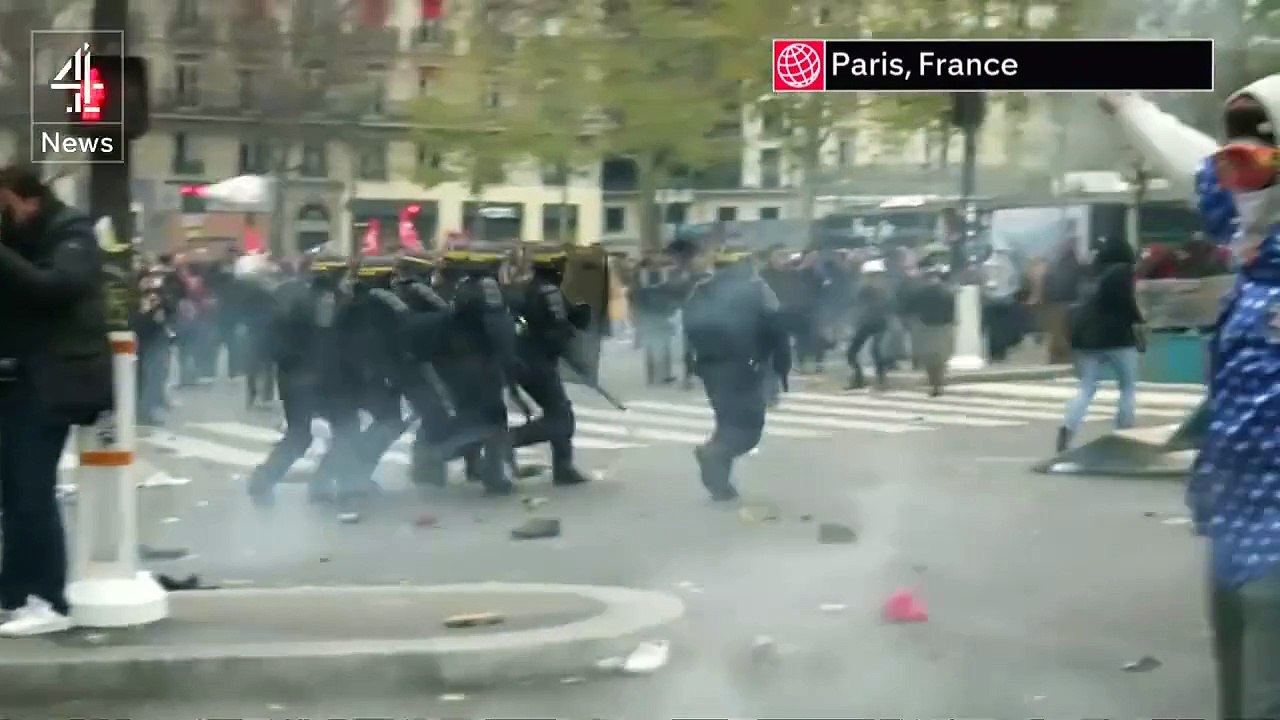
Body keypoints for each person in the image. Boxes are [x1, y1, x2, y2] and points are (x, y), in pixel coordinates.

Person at [1186, 81, 1280, 720]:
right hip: (1235, 525)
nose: (1238, 180)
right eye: (1229, 162)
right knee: (1238, 686)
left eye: (1257, 162)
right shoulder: (1253, 273)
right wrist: (1131, 106)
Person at [0, 165, 112, 635]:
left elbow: (55, 288)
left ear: (29, 200)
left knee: (31, 489)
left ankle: (47, 599)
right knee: (15, 491)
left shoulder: (73, 233)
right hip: (21, 376)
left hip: (57, 380)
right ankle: (14, 592)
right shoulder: (26, 236)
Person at [677, 243, 789, 501]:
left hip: (710, 367)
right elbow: (777, 330)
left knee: (727, 423)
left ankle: (720, 484)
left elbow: (689, 330)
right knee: (748, 430)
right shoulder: (757, 290)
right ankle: (712, 455)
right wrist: (780, 368)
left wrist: (691, 366)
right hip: (745, 367)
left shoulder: (701, 290)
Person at [1056, 235, 1143, 452]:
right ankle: (1124, 433)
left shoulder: (1091, 272)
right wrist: (1140, 319)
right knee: (1127, 386)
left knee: (1087, 386)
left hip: (1086, 338)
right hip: (1118, 339)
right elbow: (1126, 304)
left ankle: (1068, 427)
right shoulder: (1123, 272)